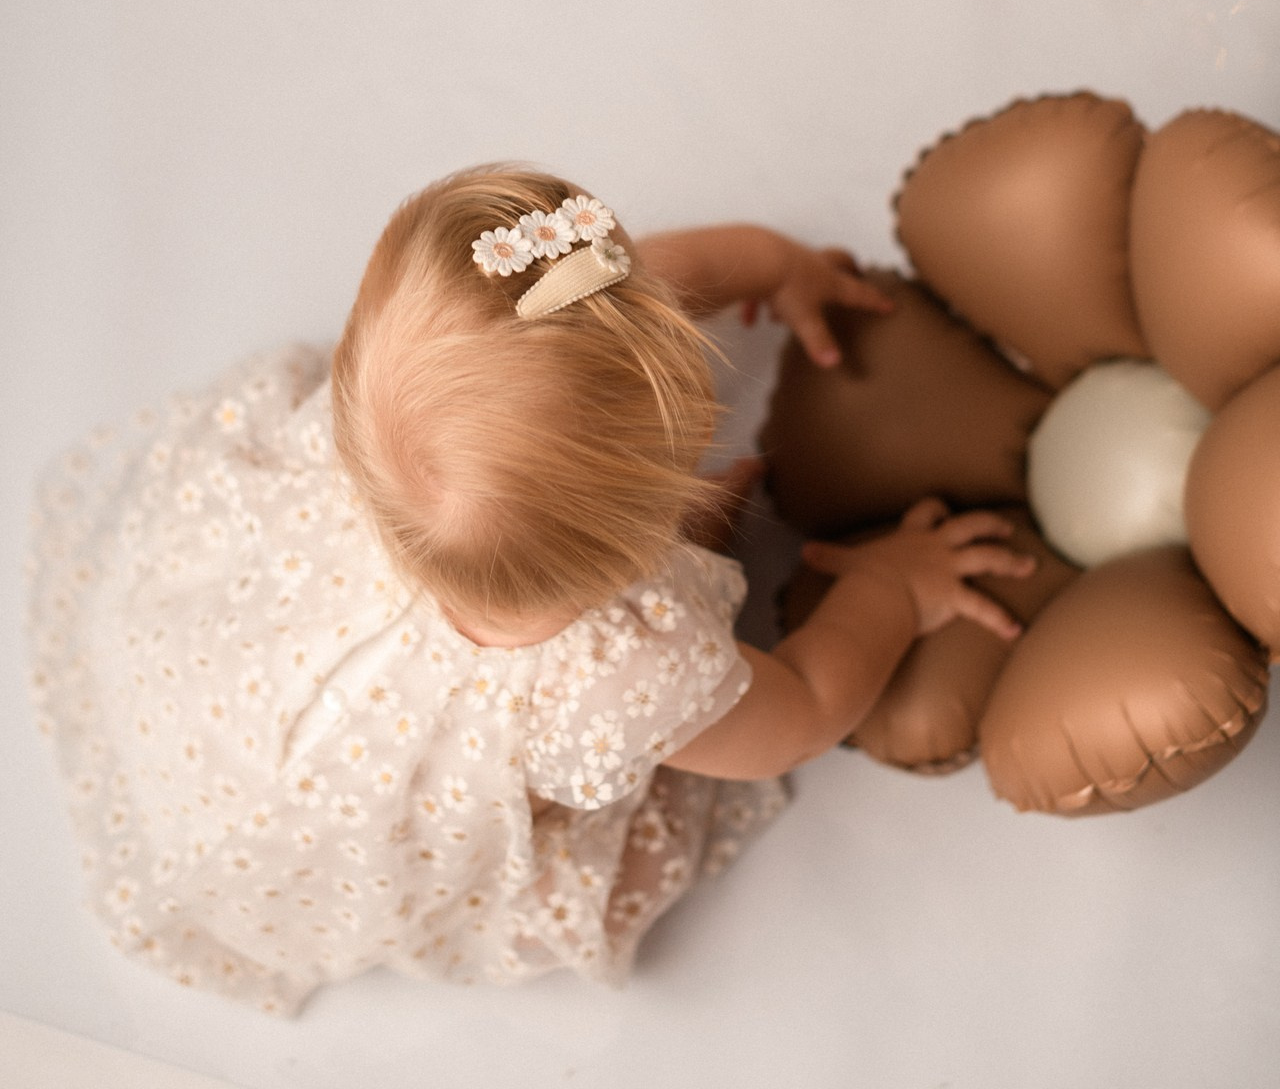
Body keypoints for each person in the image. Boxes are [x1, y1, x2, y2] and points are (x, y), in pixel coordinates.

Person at [27, 165, 1033, 1014]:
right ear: (641, 530)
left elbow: (604, 291)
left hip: (221, 685)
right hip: (351, 823)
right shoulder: (619, 671)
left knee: (543, 357)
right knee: (620, 864)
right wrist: (896, 593)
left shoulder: (391, 438)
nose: (643, 278)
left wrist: (773, 263)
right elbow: (803, 708)